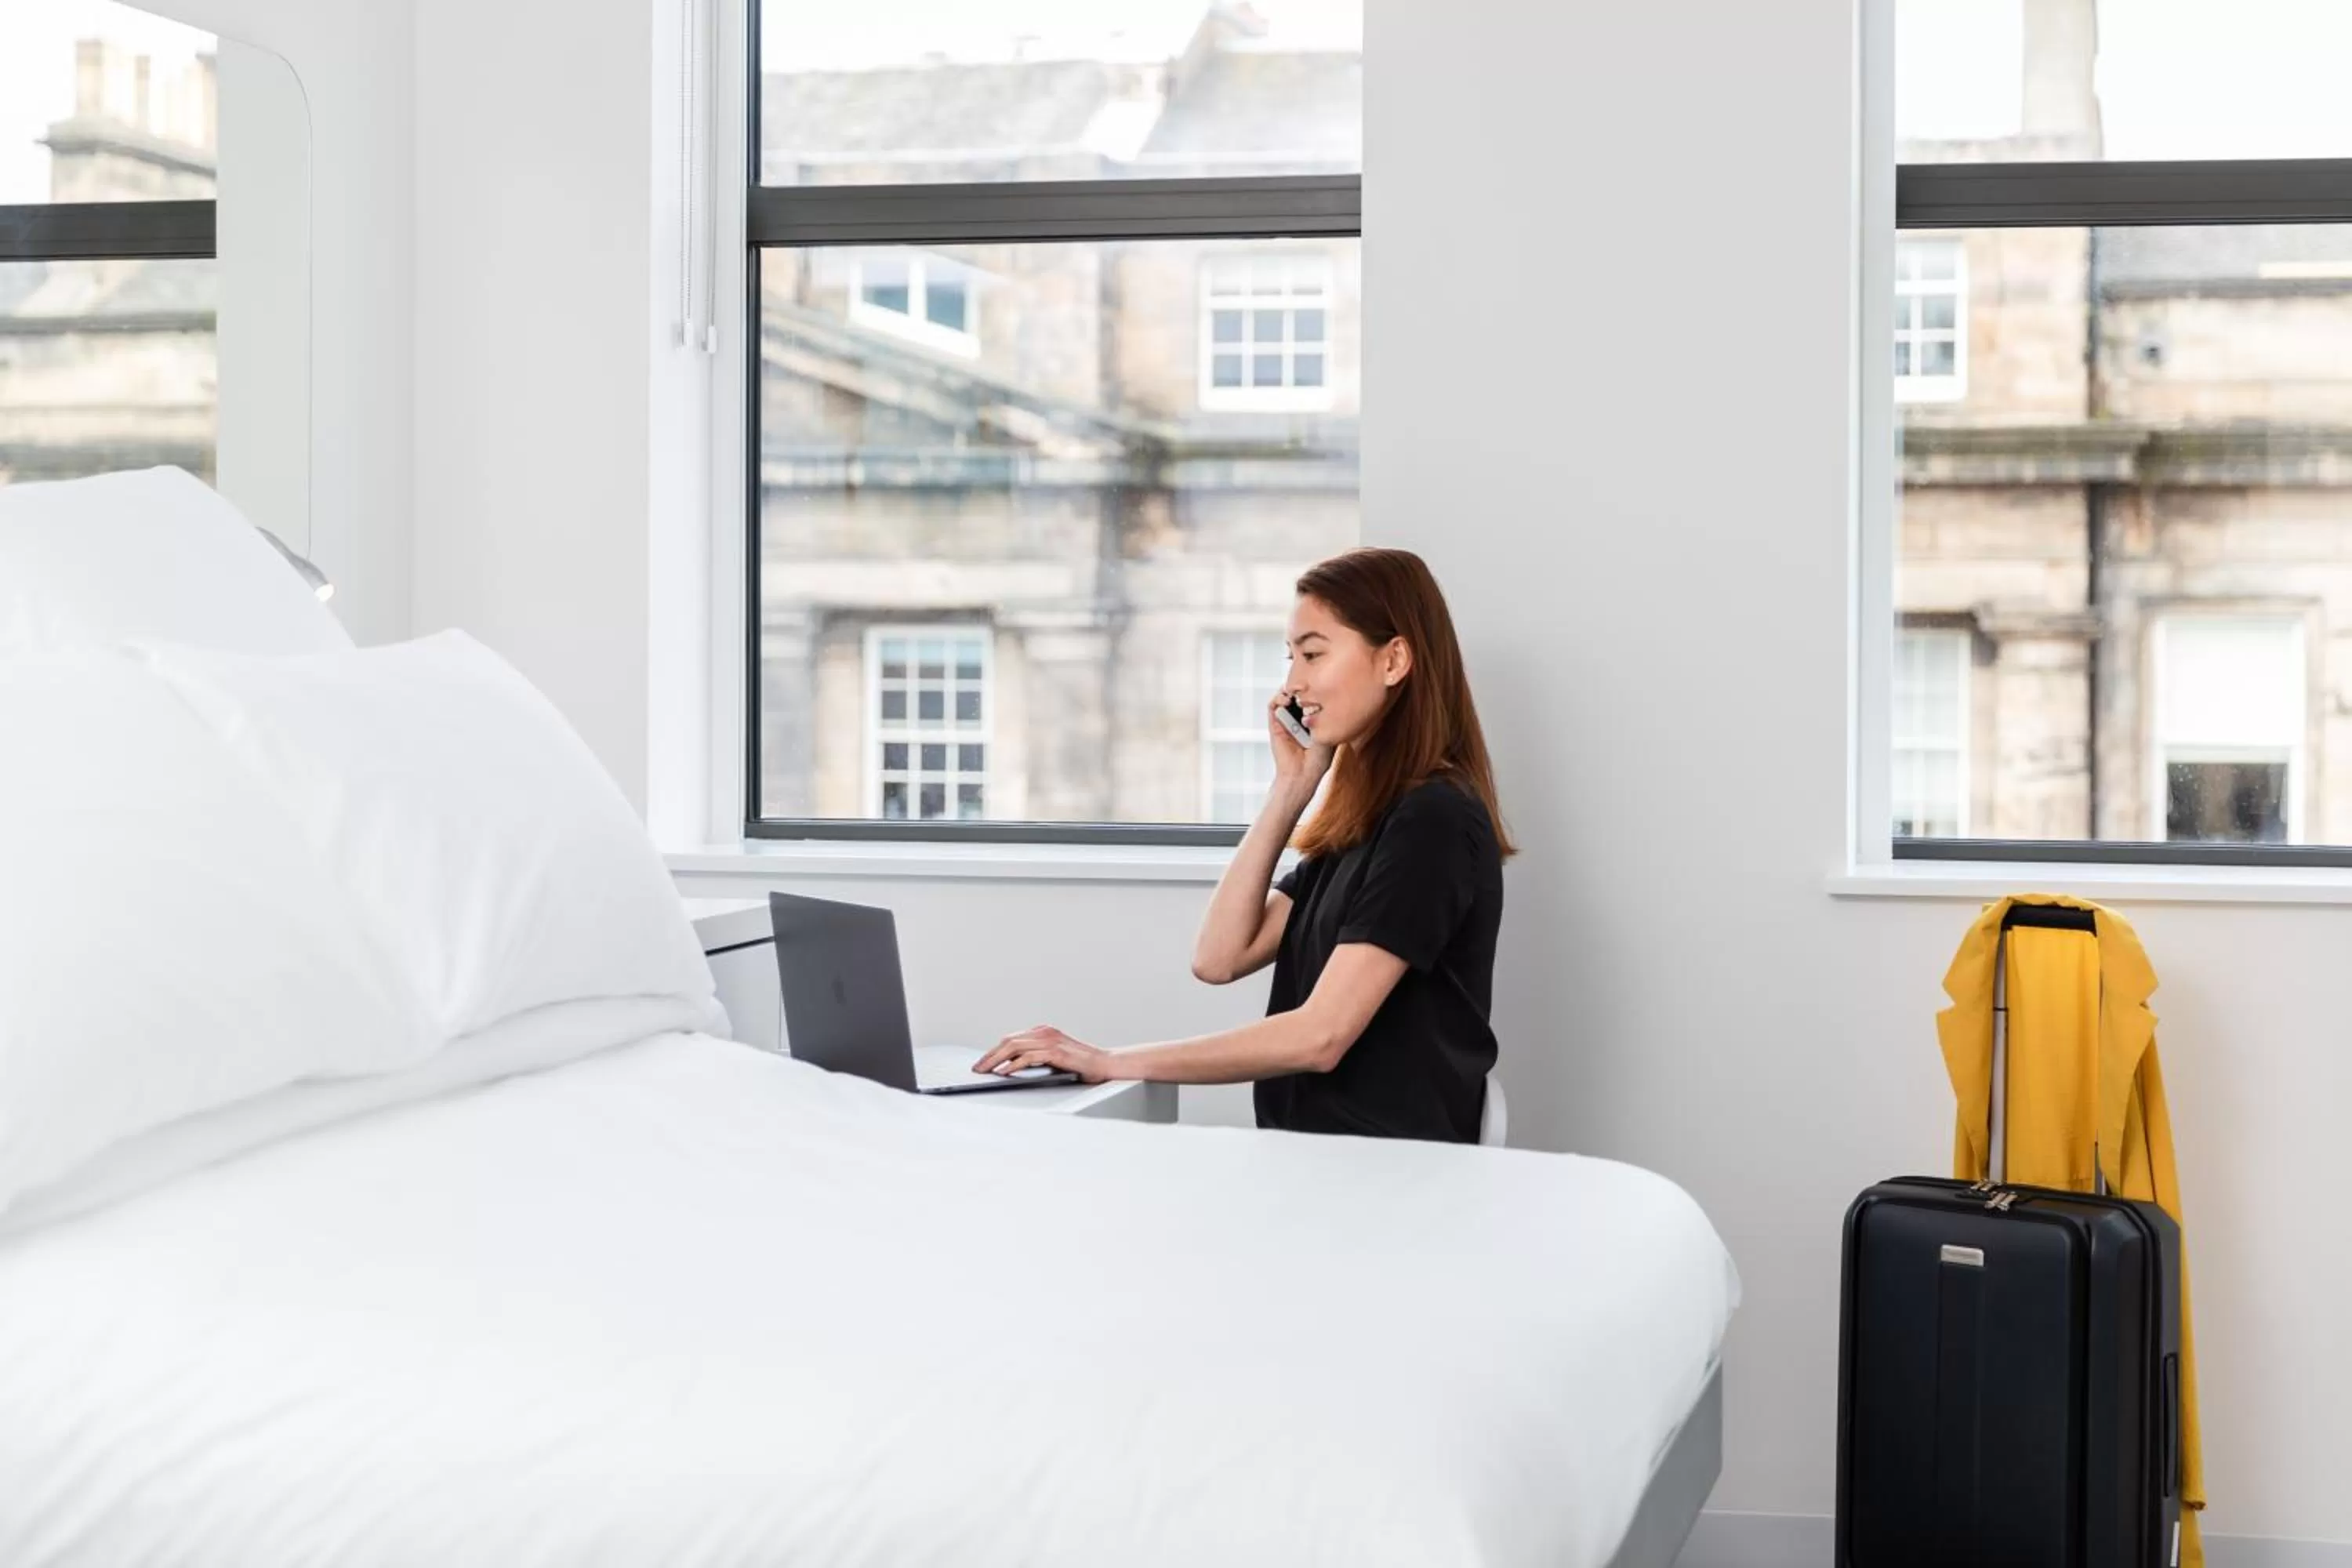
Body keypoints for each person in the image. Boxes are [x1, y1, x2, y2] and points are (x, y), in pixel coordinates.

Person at [975, 547, 1513, 1142]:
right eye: (1291, 658)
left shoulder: (1433, 822)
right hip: (1314, 1161)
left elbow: (1321, 1036)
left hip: (1382, 1178)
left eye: (1313, 654)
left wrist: (1111, 1061)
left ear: (1394, 661)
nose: (1292, 684)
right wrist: (1290, 790)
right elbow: (1219, 957)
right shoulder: (1364, 827)